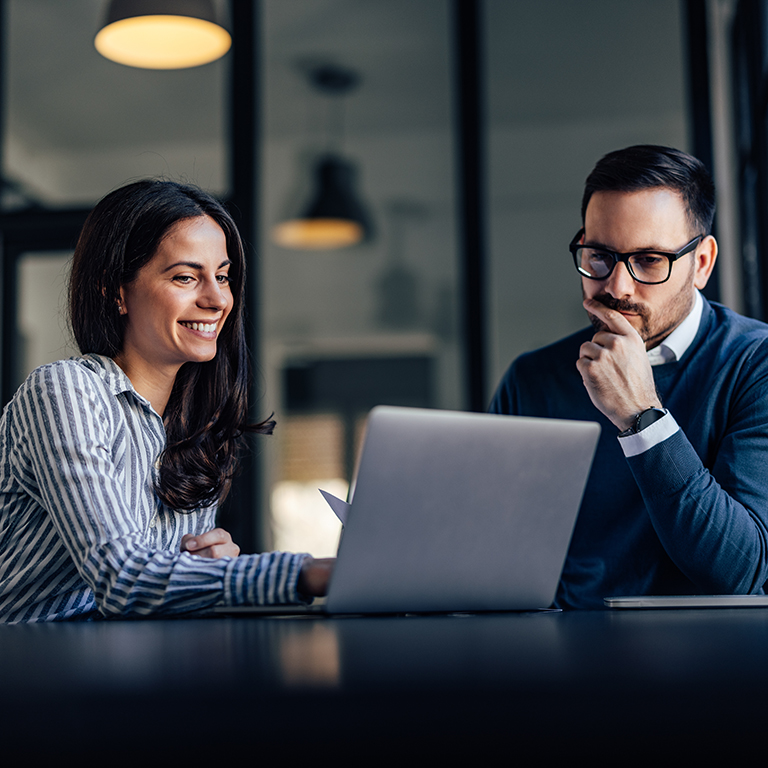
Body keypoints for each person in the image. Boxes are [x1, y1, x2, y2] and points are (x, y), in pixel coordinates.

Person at [0, 179, 333, 623]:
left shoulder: (193, 428)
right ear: (113, 290)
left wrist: (209, 570)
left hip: (126, 672)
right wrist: (308, 572)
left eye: (222, 276)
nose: (217, 299)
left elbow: (151, 598)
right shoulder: (65, 392)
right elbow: (122, 579)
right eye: (185, 277)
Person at [490, 144, 768, 609]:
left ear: (701, 263)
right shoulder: (532, 379)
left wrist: (641, 416)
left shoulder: (754, 365)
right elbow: (490, 553)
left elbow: (741, 573)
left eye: (649, 261)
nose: (617, 287)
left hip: (710, 666)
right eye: (599, 255)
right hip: (560, 659)